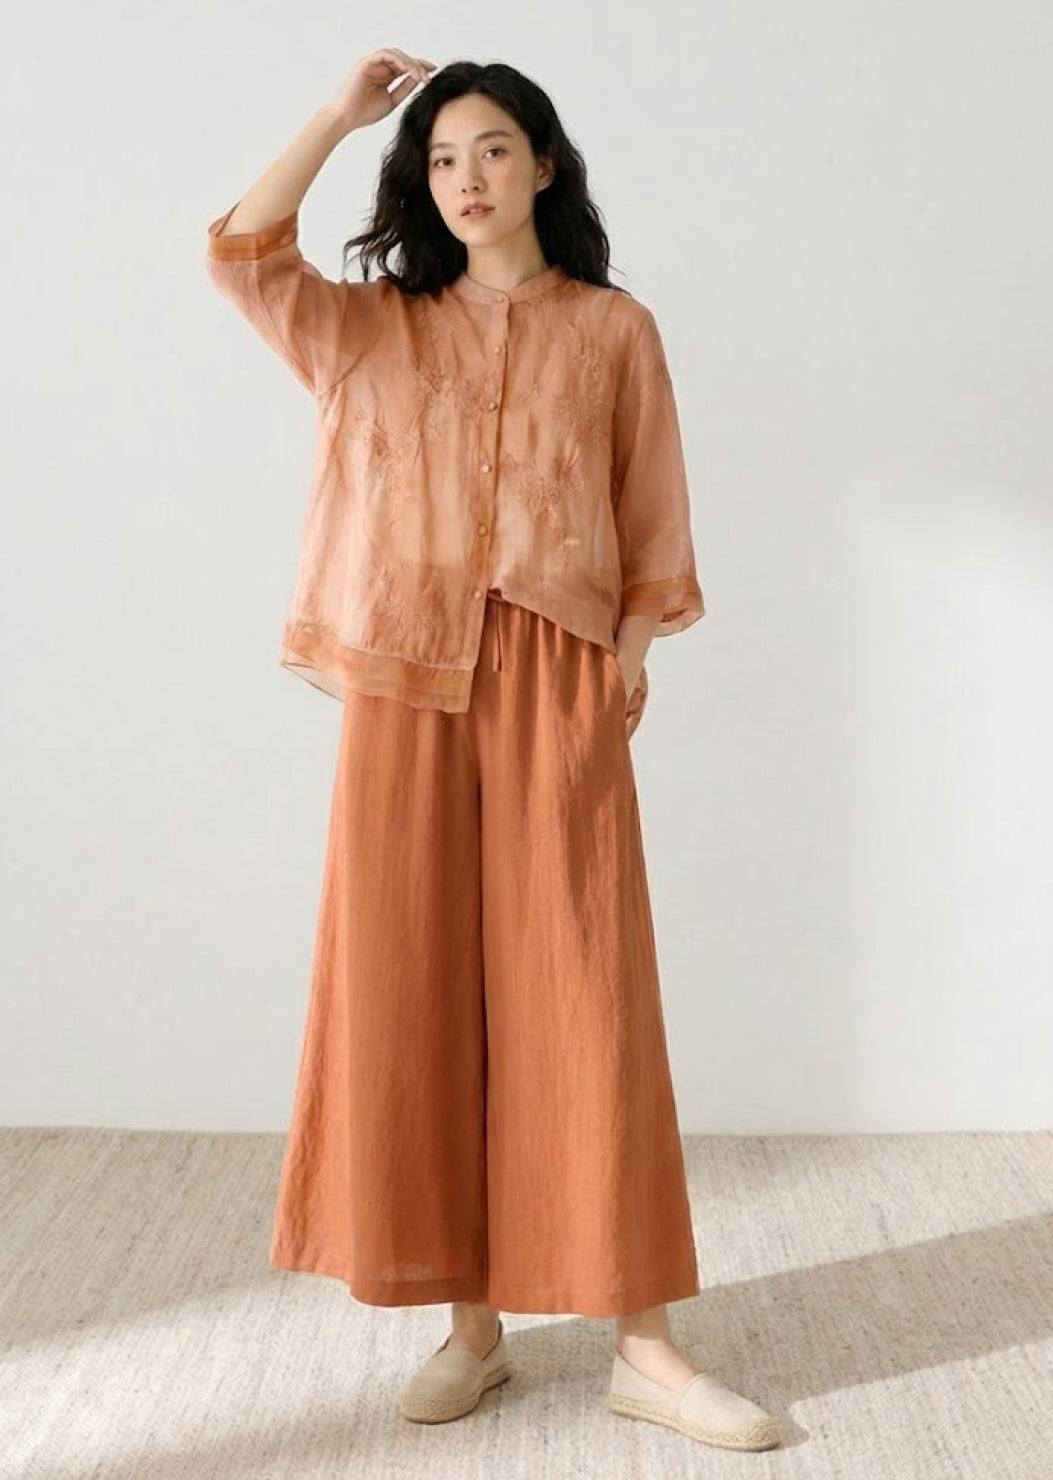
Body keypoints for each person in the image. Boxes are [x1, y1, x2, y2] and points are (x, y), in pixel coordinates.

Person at [204, 48, 781, 1452]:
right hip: (402, 682)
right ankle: (472, 1324)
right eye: (443, 158)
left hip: (556, 674)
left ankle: (644, 1343)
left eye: (493, 151)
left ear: (544, 166)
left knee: (581, 992)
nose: (466, 179)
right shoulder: (371, 330)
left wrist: (625, 658)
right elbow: (240, 253)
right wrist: (342, 117)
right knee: (416, 987)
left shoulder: (612, 330)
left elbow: (651, 513)